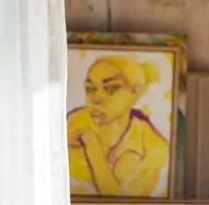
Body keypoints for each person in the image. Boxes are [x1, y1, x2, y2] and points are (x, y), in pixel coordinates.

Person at [67, 55, 172, 197]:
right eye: (90, 89)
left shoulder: (153, 148)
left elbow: (120, 202)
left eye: (112, 88)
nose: (95, 98)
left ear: (134, 93)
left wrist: (91, 143)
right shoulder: (74, 120)